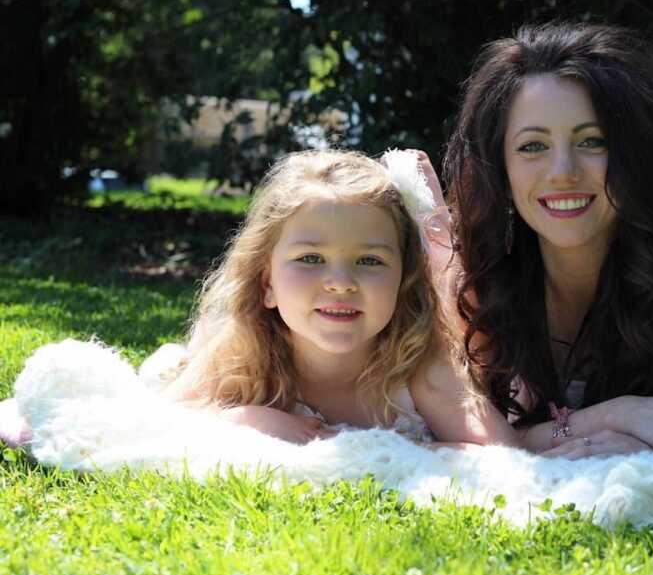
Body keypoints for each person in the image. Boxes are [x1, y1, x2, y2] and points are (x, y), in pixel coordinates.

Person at [433, 22, 653, 458]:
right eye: (533, 146)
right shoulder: (472, 270)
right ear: (500, 169)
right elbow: (468, 442)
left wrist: (638, 447)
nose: (563, 172)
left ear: (635, 155)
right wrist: (621, 415)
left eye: (593, 141)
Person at [168, 149, 519, 448]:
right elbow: (163, 423)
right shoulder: (242, 351)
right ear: (267, 285)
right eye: (310, 259)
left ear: (404, 282)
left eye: (369, 261)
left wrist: (359, 444)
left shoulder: (417, 361)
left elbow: (498, 452)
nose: (340, 283)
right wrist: (247, 420)